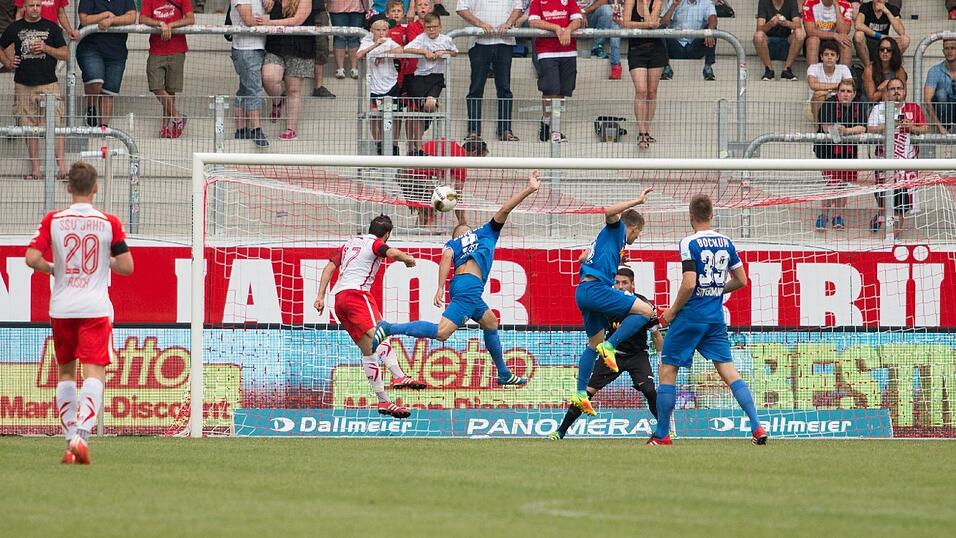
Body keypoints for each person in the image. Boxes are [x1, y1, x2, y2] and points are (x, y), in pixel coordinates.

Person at [371, 171, 541, 387]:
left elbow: (446, 257)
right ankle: (388, 328)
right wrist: (529, 189)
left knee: (490, 321)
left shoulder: (453, 244)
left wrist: (440, 287)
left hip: (460, 285)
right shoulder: (485, 232)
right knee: (442, 332)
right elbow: (505, 209)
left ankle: (504, 373)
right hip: (471, 286)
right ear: (469, 229)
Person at [25, 161, 135, 464]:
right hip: (94, 307)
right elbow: (127, 266)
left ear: (69, 187)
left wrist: (52, 268)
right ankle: (81, 438)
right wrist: (106, 261)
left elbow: (31, 258)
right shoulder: (108, 222)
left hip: (62, 307)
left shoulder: (53, 220)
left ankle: (69, 444)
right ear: (95, 187)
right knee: (94, 373)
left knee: (65, 373)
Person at [649, 194, 767, 446]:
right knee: (729, 372)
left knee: (668, 370)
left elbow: (689, 284)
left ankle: (662, 435)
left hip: (690, 316)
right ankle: (757, 426)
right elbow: (741, 280)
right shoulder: (726, 242)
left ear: (691, 215)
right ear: (712, 214)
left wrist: (672, 311)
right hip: (715, 318)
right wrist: (715, 290)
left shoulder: (688, 242)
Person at [313, 215, 427, 420]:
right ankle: (399, 376)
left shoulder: (350, 243)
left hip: (339, 300)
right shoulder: (376, 244)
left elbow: (329, 267)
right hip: (357, 295)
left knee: (369, 351)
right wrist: (408, 259)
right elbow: (391, 252)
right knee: (381, 334)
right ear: (387, 234)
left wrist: (320, 296)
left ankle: (383, 400)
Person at [548, 267, 663, 439]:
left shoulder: (643, 305)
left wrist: (662, 359)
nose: (620, 286)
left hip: (637, 356)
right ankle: (560, 432)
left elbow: (656, 334)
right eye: (617, 282)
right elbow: (596, 332)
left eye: (625, 283)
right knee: (586, 392)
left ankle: (664, 430)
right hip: (611, 355)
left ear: (633, 285)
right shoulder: (607, 303)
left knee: (650, 391)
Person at [570, 188, 655, 417]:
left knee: (593, 344)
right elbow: (609, 211)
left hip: (583, 291)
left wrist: (604, 257)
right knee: (646, 311)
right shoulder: (616, 229)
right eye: (638, 234)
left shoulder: (608, 240)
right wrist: (637, 200)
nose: (636, 239)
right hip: (597, 289)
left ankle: (580, 394)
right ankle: (611, 345)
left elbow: (584, 257)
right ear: (634, 228)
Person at [0, 0, 68, 180]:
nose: (35, 9)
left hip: (49, 84)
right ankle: (36, 170)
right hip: (23, 85)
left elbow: (65, 54)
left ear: (42, 7)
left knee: (56, 125)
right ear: (25, 7)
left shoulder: (52, 27)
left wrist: (46, 48)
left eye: (38, 5)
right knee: (29, 128)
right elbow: (1, 46)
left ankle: (62, 168)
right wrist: (7, 62)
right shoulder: (15, 28)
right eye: (31, 5)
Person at [866, 78, 927, 232]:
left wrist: (911, 127)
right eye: (892, 89)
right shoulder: (879, 108)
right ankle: (882, 215)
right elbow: (870, 128)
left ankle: (897, 229)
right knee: (883, 192)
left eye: (899, 88)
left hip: (905, 160)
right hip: (884, 160)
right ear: (887, 92)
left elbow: (924, 128)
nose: (896, 92)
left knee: (901, 196)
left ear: (904, 91)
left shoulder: (913, 108)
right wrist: (889, 125)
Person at [457, 0, 523, 142]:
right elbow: (461, 8)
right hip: (479, 42)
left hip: (504, 42)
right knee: (476, 88)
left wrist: (509, 23)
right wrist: (480, 23)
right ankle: (473, 131)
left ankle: (505, 130)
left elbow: (518, 7)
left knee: (504, 88)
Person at [814, 78, 867, 231]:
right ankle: (823, 215)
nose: (845, 94)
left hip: (848, 152)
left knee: (843, 185)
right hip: (827, 151)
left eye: (848, 91)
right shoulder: (829, 104)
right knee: (832, 184)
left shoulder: (858, 106)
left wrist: (846, 131)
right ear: (837, 92)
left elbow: (863, 127)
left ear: (854, 94)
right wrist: (841, 131)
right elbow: (826, 127)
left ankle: (838, 215)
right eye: (842, 91)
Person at [528, 0, 584, 142]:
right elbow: (533, 21)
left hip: (568, 51)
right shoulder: (537, 2)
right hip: (547, 52)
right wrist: (556, 28)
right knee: (550, 89)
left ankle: (554, 127)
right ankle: (548, 124)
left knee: (562, 92)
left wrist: (568, 30)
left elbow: (578, 19)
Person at [399, 137, 488, 226]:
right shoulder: (461, 161)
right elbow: (458, 195)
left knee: (428, 208)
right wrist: (462, 222)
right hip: (412, 175)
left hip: (404, 170)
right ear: (474, 153)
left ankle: (419, 230)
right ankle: (419, 232)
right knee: (429, 211)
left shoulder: (450, 144)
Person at [77, 0, 137, 129]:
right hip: (90, 46)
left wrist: (111, 20)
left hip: (116, 50)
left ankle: (103, 128)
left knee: (109, 91)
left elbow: (132, 17)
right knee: (95, 80)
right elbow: (84, 19)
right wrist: (105, 15)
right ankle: (91, 108)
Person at [140, 0, 195, 139]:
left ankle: (166, 127)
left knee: (170, 90)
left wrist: (170, 25)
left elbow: (190, 19)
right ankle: (177, 117)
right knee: (156, 86)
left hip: (177, 49)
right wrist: (160, 23)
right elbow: (142, 18)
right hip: (156, 49)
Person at [260, 0, 314, 141]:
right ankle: (277, 101)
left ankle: (291, 129)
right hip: (275, 45)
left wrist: (269, 23)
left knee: (293, 90)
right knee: (269, 78)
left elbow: (297, 20)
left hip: (299, 47)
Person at [403, 12, 457, 149]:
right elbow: (407, 48)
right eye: (428, 27)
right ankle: (416, 146)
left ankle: (426, 122)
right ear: (424, 28)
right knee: (416, 112)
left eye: (434, 27)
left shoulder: (446, 39)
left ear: (440, 27)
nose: (431, 30)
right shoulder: (421, 38)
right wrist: (423, 52)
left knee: (430, 105)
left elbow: (455, 52)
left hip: (436, 77)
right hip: (420, 77)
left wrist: (443, 52)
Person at [358, 14, 404, 156]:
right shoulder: (366, 42)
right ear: (371, 30)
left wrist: (384, 54)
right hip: (374, 87)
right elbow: (359, 55)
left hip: (391, 84)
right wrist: (375, 46)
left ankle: (394, 145)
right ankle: (379, 143)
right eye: (378, 30)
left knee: (395, 115)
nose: (381, 33)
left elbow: (401, 50)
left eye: (384, 30)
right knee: (375, 116)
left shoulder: (389, 42)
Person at [622, 0, 665, 150]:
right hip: (636, 50)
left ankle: (646, 130)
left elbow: (652, 23)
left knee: (652, 92)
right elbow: (626, 23)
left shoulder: (657, 1)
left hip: (656, 50)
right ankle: (641, 132)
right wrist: (648, 24)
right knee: (641, 90)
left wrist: (646, 6)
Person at [230, 0, 270, 147]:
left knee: (244, 89)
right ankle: (256, 129)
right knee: (254, 89)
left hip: (254, 47)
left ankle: (240, 130)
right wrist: (268, 22)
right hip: (246, 48)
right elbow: (248, 20)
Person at [659, 0, 718, 82]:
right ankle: (666, 67)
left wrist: (709, 31)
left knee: (712, 29)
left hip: (694, 47)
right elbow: (663, 23)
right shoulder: (673, 1)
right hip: (675, 47)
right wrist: (674, 5)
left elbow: (713, 17)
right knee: (660, 29)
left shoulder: (706, 2)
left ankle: (708, 67)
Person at [753, 0, 804, 81]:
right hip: (768, 45)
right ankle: (769, 70)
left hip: (786, 43)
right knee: (758, 35)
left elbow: (798, 25)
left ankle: (787, 70)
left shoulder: (791, 1)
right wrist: (770, 24)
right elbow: (759, 28)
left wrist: (787, 23)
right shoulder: (763, 2)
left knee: (799, 33)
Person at [853, 0, 908, 66]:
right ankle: (868, 66)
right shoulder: (865, 6)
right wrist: (879, 36)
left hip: (884, 44)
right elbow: (858, 25)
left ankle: (888, 65)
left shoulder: (892, 8)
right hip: (867, 43)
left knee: (905, 40)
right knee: (858, 35)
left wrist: (887, 12)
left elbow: (901, 31)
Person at [807, 40, 852, 120]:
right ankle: (818, 126)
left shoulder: (843, 68)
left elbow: (850, 86)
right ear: (821, 57)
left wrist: (826, 92)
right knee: (819, 96)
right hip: (816, 102)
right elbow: (813, 85)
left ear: (837, 57)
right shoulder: (813, 67)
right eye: (826, 54)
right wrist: (839, 85)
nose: (829, 57)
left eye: (832, 54)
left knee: (845, 96)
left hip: (838, 100)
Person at [802, 0, 853, 68]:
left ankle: (844, 73)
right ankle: (813, 73)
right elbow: (810, 31)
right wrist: (834, 35)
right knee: (813, 40)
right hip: (818, 39)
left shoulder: (846, 4)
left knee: (845, 41)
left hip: (836, 41)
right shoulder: (809, 2)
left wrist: (837, 7)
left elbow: (844, 31)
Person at [579, 0, 622, 80]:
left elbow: (603, 1)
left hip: (591, 18)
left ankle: (616, 66)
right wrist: (578, 14)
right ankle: (616, 65)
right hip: (574, 20)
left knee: (612, 19)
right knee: (613, 23)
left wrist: (584, 12)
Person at [923, 39, 956, 135]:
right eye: (946, 48)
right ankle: (947, 128)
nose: (949, 51)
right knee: (941, 94)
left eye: (953, 48)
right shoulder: (934, 71)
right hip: (943, 114)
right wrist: (939, 126)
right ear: (943, 51)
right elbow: (927, 100)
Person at [862, 36, 905, 103]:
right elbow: (871, 99)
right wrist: (887, 87)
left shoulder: (899, 70)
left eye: (888, 50)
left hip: (893, 104)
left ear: (893, 52)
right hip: (870, 106)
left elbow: (903, 94)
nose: (885, 52)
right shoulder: (869, 70)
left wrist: (886, 84)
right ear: (878, 51)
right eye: (882, 49)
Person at [329, 0, 365, 79]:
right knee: (339, 37)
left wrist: (367, 8)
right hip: (337, 9)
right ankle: (340, 69)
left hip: (357, 9)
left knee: (354, 37)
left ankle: (354, 69)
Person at [311, 0, 336, 98]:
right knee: (293, 44)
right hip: (294, 10)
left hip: (318, 10)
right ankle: (289, 86)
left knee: (321, 47)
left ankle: (319, 87)